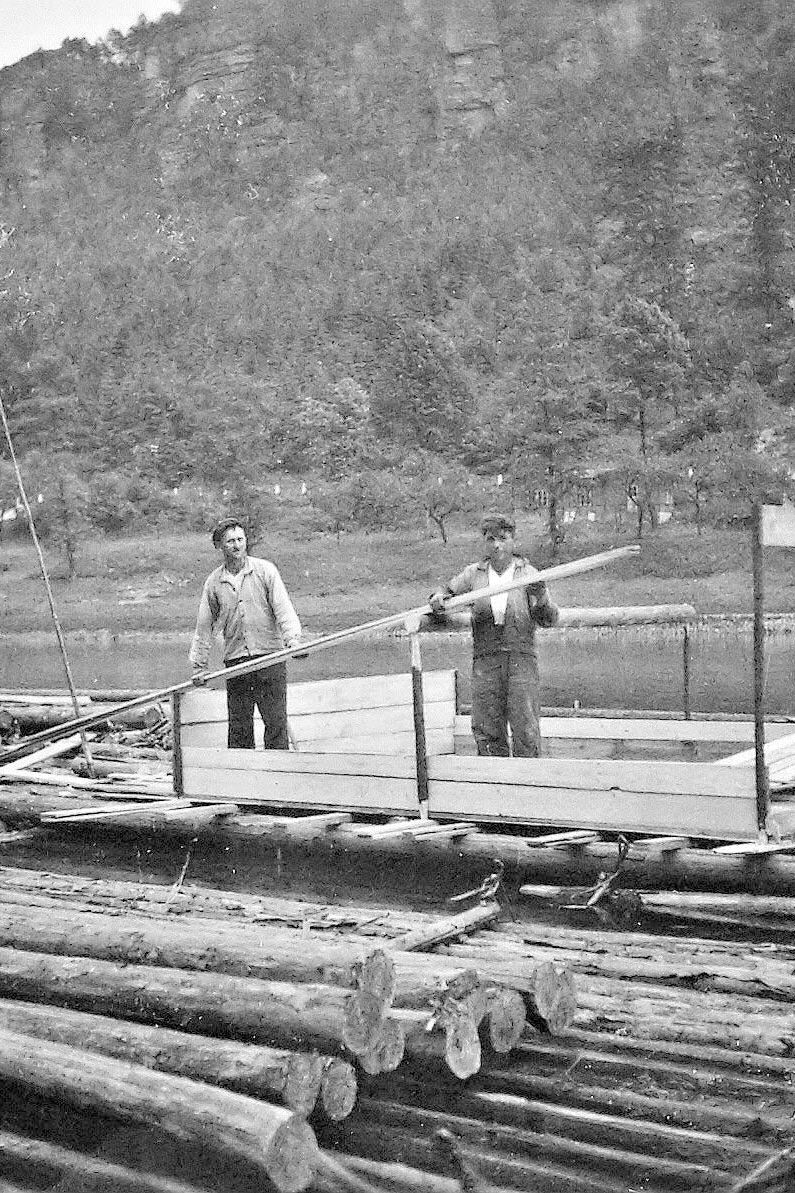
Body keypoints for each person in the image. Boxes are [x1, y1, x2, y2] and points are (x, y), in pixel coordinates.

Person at [429, 513, 558, 758]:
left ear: (513, 541)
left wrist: (541, 595)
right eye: (491, 539)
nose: (497, 545)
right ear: (485, 542)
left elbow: (549, 619)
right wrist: (438, 598)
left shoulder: (528, 573)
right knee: (487, 729)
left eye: (503, 538)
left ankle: (527, 779)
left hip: (521, 661)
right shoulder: (474, 574)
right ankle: (493, 778)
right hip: (486, 660)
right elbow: (445, 591)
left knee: (525, 727)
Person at [189, 517, 304, 750]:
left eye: (240, 540)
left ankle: (278, 769)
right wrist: (199, 666)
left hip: (269, 658)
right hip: (237, 663)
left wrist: (293, 640)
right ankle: (241, 770)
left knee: (275, 723)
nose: (237, 545)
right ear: (220, 546)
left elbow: (283, 608)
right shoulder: (214, 582)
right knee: (239, 728)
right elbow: (204, 627)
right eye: (230, 541)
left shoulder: (265, 571)